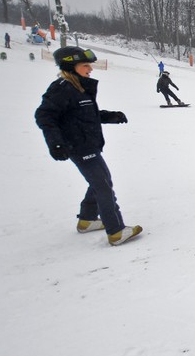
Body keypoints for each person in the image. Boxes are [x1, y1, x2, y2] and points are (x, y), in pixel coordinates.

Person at [35, 46, 142, 246]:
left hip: (88, 144)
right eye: (85, 65)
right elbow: (44, 115)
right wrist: (55, 143)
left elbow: (83, 115)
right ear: (71, 66)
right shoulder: (62, 88)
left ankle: (87, 220)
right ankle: (116, 230)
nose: (90, 69)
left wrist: (110, 116)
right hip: (79, 147)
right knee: (103, 184)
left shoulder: (78, 88)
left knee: (100, 180)